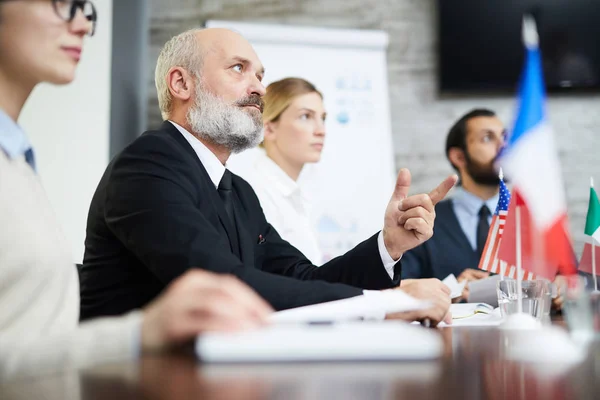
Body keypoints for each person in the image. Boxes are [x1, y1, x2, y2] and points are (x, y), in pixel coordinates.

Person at [80, 28, 458, 326]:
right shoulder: (147, 164)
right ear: (181, 84)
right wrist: (384, 303)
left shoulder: (239, 191)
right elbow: (220, 285)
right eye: (239, 69)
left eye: (261, 75)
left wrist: (388, 245)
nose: (260, 88)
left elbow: (303, 279)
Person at [0, 0, 271, 380]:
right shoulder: (148, 165)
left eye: (87, 9)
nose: (82, 25)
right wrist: (142, 333)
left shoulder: (17, 162)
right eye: (62, 3)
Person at [400, 109, 505, 291]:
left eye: (505, 137)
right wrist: (451, 289)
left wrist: (560, 289)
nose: (503, 146)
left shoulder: (533, 218)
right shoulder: (424, 222)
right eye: (488, 138)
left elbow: (564, 276)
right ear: (458, 157)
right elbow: (398, 289)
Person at [233, 77, 325, 264]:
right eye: (306, 116)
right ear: (268, 128)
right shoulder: (255, 195)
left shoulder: (298, 193)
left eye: (323, 118)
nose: (321, 130)